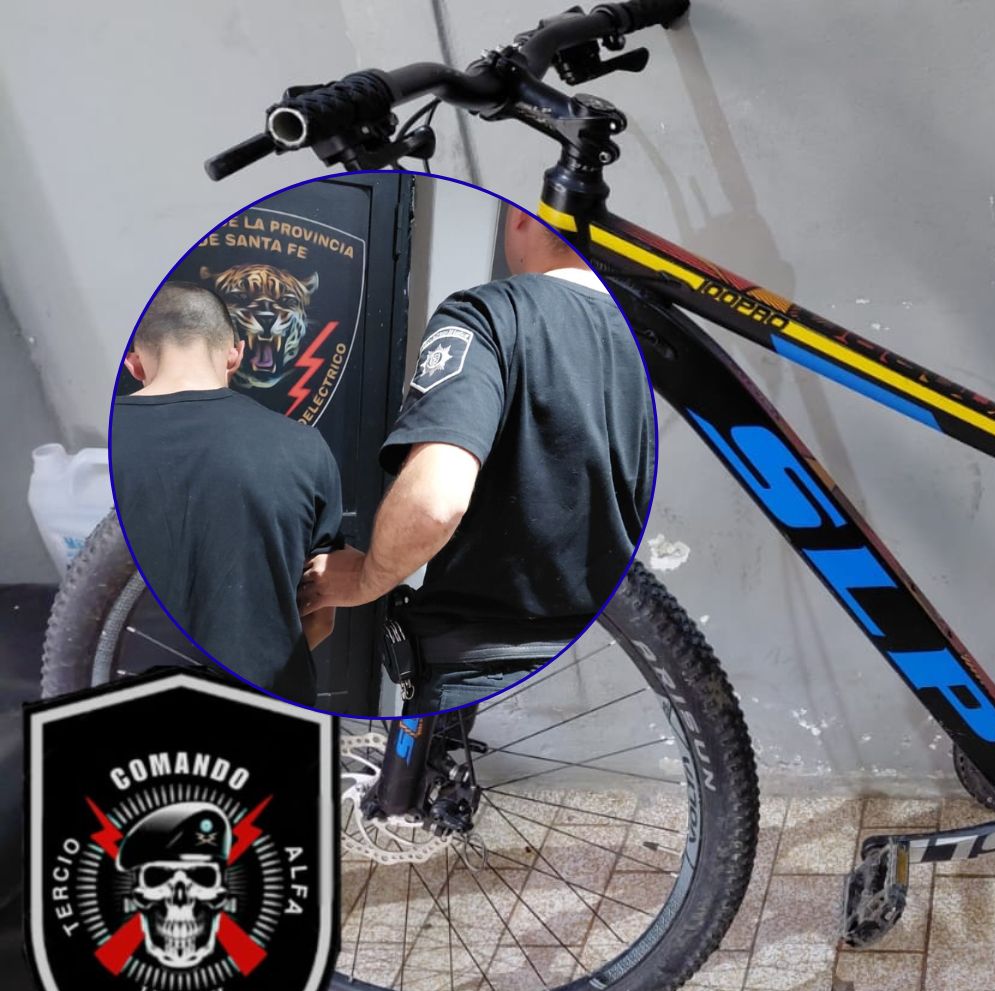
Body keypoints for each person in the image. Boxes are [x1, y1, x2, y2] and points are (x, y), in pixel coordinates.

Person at [299, 208, 650, 711]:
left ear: (521, 221)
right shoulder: (642, 342)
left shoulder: (490, 314)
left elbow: (434, 503)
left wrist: (365, 578)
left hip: (476, 676)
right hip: (613, 674)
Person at [112, 282, 342, 701]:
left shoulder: (102, 448)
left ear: (135, 364)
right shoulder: (305, 447)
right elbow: (321, 617)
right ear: (235, 354)